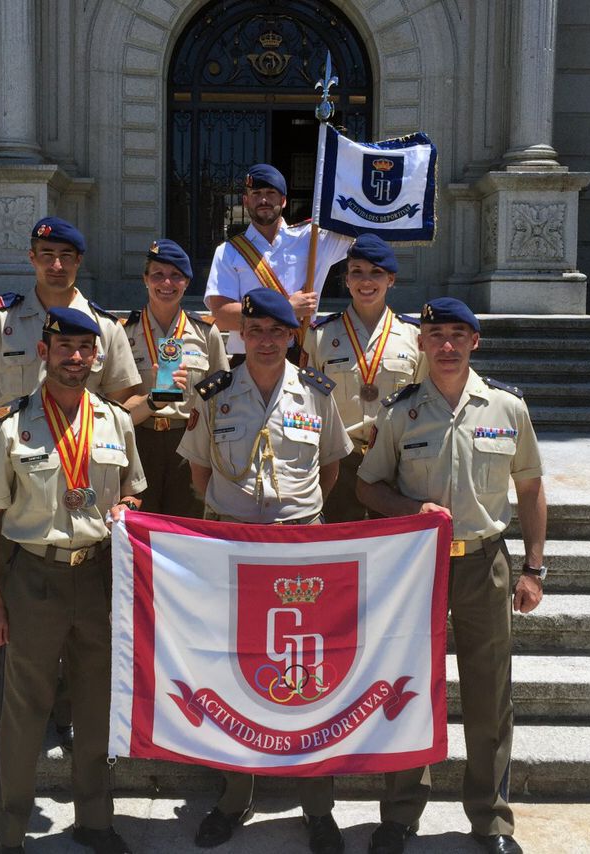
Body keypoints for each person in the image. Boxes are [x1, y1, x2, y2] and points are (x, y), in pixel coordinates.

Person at [355, 298, 547, 854]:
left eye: (456, 335)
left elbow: (531, 489)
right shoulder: (400, 413)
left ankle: (490, 821)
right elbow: (368, 485)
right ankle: (399, 815)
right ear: (421, 343)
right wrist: (407, 511)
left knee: (489, 698)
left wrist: (533, 569)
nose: (445, 345)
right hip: (416, 565)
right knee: (406, 690)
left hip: (485, 564)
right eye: (435, 334)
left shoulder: (507, 409)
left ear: (474, 343)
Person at [0, 217, 143, 754]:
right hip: (14, 484)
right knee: (2, 607)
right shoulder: (1, 318)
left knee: (80, 619)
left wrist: (101, 446)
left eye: (66, 255)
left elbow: (130, 397)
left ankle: (68, 713)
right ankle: (0, 709)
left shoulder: (101, 325)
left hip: (79, 493)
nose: (55, 264)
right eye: (45, 253)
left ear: (80, 262)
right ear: (31, 257)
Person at [177, 288, 353, 853]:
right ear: (242, 335)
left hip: (300, 552)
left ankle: (317, 805)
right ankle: (234, 796)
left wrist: (291, 520)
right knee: (232, 673)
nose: (267, 340)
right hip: (232, 552)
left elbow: (329, 470)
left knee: (311, 678)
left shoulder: (317, 394)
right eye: (256, 331)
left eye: (278, 331)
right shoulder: (215, 395)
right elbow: (200, 474)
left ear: (292, 336)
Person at [0, 306, 146, 854]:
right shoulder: (8, 422)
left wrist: (127, 509)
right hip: (34, 579)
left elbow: (132, 490)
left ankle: (95, 821)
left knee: (97, 706)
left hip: (97, 578)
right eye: (64, 347)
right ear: (44, 352)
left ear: (98, 356)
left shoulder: (115, 421)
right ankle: (10, 830)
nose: (75, 358)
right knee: (24, 710)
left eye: (85, 348)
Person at [302, 234, 426, 522]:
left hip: (395, 463)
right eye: (357, 272)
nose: (366, 281)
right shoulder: (320, 335)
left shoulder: (415, 336)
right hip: (340, 461)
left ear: (391, 280)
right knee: (341, 553)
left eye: (376, 273)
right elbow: (310, 405)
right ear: (346, 279)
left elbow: (423, 400)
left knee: (390, 553)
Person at [121, 239, 229, 516]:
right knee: (141, 527)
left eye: (176, 276)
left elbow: (222, 395)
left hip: (189, 443)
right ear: (145, 279)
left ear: (187, 282)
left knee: (187, 528)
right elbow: (115, 409)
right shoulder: (124, 334)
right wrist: (151, 398)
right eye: (157, 274)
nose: (166, 282)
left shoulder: (206, 333)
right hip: (139, 442)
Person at [204, 163, 351, 361]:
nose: (263, 200)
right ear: (245, 201)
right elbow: (222, 316)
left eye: (270, 193)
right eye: (256, 193)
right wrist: (287, 309)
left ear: (283, 201)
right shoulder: (228, 252)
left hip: (300, 356)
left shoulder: (313, 238)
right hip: (247, 360)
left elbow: (360, 230)